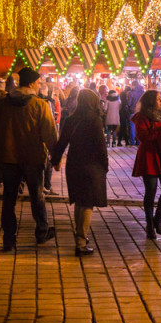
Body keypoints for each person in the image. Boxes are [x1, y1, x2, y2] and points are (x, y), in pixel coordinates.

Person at [0, 67, 58, 252]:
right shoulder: (40, 105)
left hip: (8, 158)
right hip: (33, 158)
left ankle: (9, 239)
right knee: (37, 197)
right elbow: (49, 133)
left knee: (8, 199)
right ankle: (42, 231)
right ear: (33, 83)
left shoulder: (2, 105)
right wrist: (55, 156)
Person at [51, 89, 108, 256]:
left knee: (80, 202)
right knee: (88, 203)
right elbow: (100, 146)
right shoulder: (94, 120)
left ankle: (80, 236)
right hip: (91, 165)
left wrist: (55, 160)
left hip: (74, 164)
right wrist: (105, 165)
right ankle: (81, 242)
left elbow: (61, 142)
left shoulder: (71, 119)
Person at [132, 90, 161, 239]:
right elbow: (142, 137)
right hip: (149, 155)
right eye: (158, 99)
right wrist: (160, 130)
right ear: (151, 101)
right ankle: (150, 223)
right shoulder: (141, 117)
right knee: (150, 190)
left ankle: (158, 219)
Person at [125, 80, 144, 145]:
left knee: (132, 126)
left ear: (133, 85)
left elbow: (129, 103)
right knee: (139, 126)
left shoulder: (131, 93)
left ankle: (132, 142)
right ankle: (138, 141)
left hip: (132, 111)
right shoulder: (143, 92)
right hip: (140, 111)